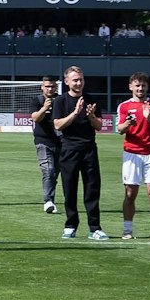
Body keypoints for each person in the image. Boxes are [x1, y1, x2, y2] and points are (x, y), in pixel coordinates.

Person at [51, 65, 107, 241]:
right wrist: (75, 113)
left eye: (81, 79)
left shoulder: (91, 100)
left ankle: (95, 228)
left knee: (92, 189)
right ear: (67, 82)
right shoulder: (60, 101)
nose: (79, 82)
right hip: (69, 150)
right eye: (75, 79)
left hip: (89, 149)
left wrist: (90, 116)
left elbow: (99, 126)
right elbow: (58, 125)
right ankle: (70, 225)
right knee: (70, 189)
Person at [117, 71, 150, 241]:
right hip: (131, 154)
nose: (140, 88)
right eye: (137, 85)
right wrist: (128, 123)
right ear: (131, 87)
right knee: (130, 193)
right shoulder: (124, 106)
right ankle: (127, 229)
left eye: (143, 85)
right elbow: (120, 130)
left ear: (147, 87)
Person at [24, 75, 60, 215]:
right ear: (42, 87)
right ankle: (48, 201)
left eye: (52, 86)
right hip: (42, 141)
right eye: (47, 86)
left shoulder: (61, 100)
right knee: (48, 170)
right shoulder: (37, 100)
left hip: (61, 142)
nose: (50, 89)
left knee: (55, 173)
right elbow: (35, 118)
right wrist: (45, 108)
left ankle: (51, 198)